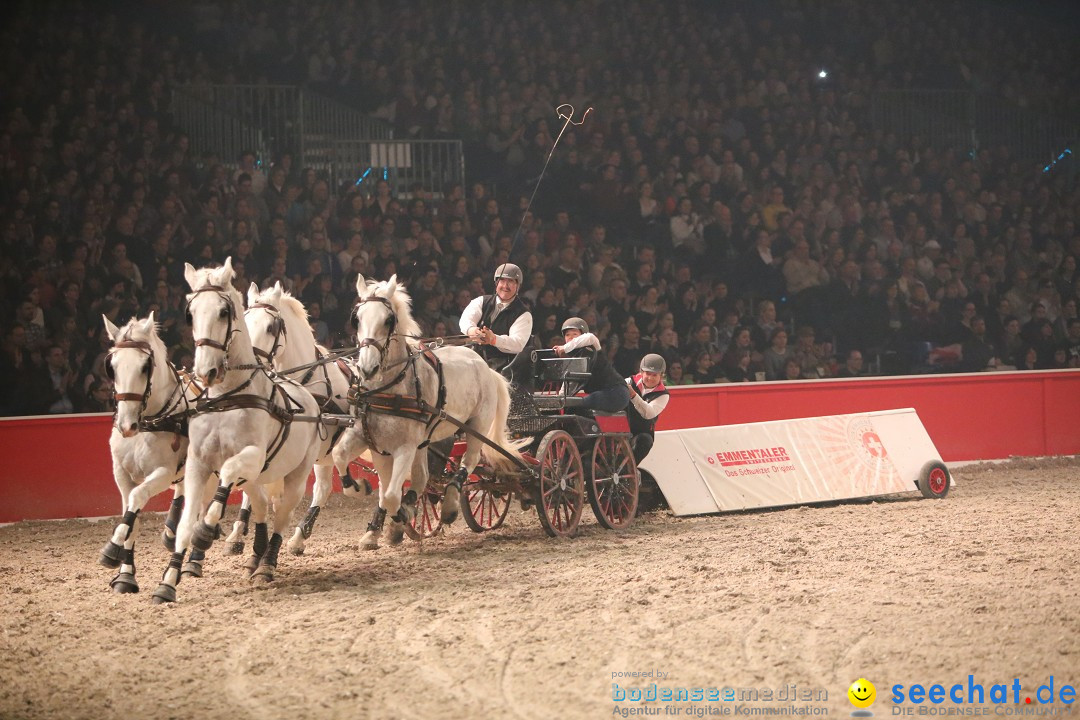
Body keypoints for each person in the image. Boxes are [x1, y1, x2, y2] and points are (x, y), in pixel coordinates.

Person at [459, 262, 534, 381]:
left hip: (503, 368)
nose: (505, 286)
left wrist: (493, 339)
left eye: (511, 282)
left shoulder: (524, 314)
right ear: (496, 283)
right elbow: (466, 320)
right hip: (474, 359)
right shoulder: (481, 301)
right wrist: (472, 330)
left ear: (517, 286)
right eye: (502, 281)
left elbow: (517, 344)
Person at [553, 317, 631, 413]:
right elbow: (569, 385)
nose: (571, 337)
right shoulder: (574, 359)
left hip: (616, 392)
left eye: (575, 334)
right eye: (567, 334)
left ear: (582, 335)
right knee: (572, 407)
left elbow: (590, 337)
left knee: (579, 405)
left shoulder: (592, 346)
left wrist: (564, 348)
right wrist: (558, 401)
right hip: (602, 394)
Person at [624, 353, 670, 464]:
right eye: (648, 374)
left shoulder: (663, 395)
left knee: (645, 440)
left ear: (661, 375)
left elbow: (648, 413)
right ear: (641, 372)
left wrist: (633, 395)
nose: (650, 378)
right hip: (620, 429)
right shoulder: (629, 381)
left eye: (655, 375)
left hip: (640, 434)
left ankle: (630, 469)